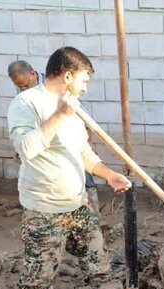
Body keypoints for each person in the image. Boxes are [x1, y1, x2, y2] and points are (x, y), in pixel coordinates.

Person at [7, 47, 149, 289]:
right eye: (83, 79)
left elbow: (82, 152)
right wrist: (59, 116)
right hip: (44, 212)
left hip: (78, 207)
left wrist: (109, 173)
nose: (85, 86)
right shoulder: (26, 104)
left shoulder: (75, 106)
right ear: (68, 75)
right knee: (38, 276)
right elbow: (25, 149)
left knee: (100, 266)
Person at [8, 60, 102, 219]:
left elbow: (82, 118)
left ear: (33, 74)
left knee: (86, 176)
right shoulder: (24, 99)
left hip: (70, 144)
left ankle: (94, 213)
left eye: (24, 85)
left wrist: (88, 144)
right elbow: (25, 136)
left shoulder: (59, 87)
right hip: (46, 150)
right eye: (19, 87)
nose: (22, 89)